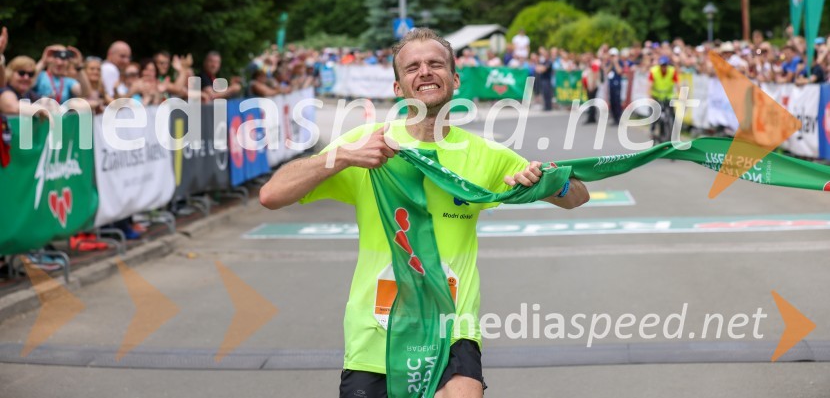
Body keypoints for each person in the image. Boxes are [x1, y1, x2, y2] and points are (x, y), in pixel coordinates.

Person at [259, 28, 589, 398]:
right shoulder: (369, 143)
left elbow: (578, 196)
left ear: (455, 79)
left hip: (452, 327)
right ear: (399, 87)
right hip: (376, 335)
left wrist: (546, 181)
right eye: (413, 67)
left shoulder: (485, 155)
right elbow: (271, 194)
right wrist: (343, 157)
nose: (426, 72)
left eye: (436, 64)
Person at [648, 56, 679, 139]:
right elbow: (650, 85)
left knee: (672, 113)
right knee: (655, 114)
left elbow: (677, 84)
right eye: (662, 65)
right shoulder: (654, 71)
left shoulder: (672, 71)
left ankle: (672, 131)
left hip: (668, 96)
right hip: (656, 96)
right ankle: (653, 129)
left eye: (665, 65)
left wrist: (678, 95)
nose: (663, 67)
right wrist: (650, 97)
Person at [604, 47, 624, 124]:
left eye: (614, 56)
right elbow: (606, 71)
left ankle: (618, 117)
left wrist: (615, 63)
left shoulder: (620, 62)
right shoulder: (609, 63)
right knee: (612, 101)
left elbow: (620, 71)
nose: (612, 57)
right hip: (611, 85)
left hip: (617, 85)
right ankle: (614, 117)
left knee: (617, 101)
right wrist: (611, 64)